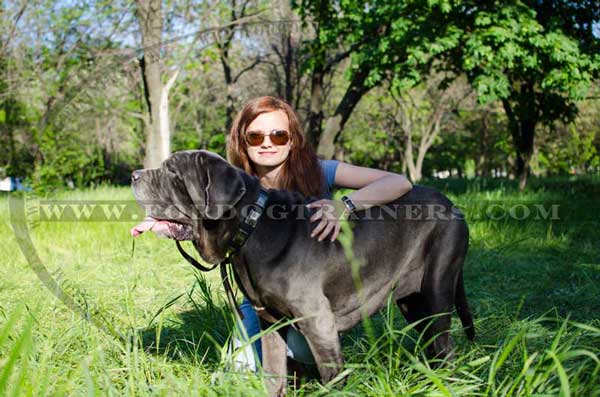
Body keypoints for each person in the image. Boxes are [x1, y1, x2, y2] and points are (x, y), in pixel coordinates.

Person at [225, 96, 413, 371]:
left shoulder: (319, 171)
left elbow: (398, 182)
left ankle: (300, 358)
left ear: (291, 141)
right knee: (240, 368)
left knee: (303, 351)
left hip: (317, 291)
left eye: (278, 135)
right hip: (261, 299)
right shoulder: (234, 185)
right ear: (242, 141)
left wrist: (346, 205)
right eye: (255, 136)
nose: (267, 143)